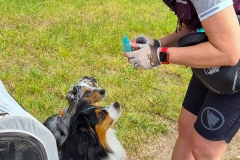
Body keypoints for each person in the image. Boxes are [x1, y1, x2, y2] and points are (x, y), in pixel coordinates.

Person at [124, 0, 240, 159]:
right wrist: (157, 44)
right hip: (219, 51)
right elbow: (196, 25)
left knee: (205, 148)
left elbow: (229, 53)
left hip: (231, 57)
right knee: (187, 128)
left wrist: (160, 55)